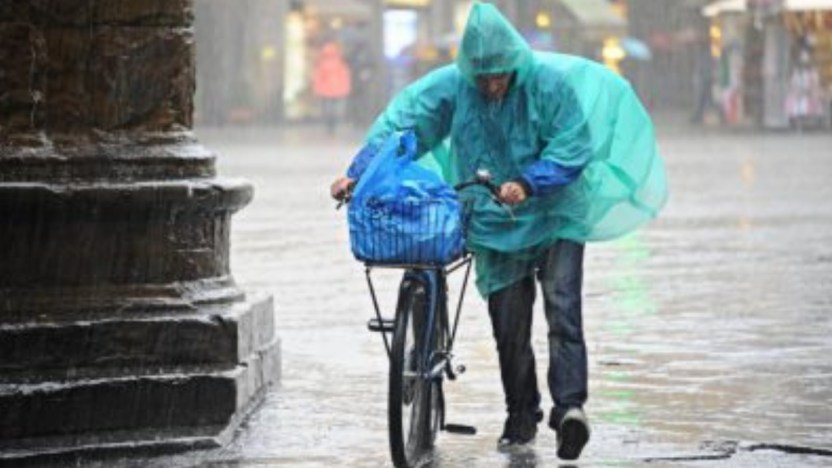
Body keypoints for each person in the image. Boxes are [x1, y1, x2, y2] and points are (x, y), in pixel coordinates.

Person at [330, 2, 667, 460]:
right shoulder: (454, 88)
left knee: (562, 309)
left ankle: (570, 409)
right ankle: (521, 414)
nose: (492, 85)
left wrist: (530, 183)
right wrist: (359, 172)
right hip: (493, 219)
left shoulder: (548, 86)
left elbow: (572, 145)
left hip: (555, 214)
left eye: (500, 76)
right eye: (483, 77)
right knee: (510, 327)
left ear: (516, 65)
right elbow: (404, 127)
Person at [312, 41, 352, 135]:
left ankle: (330, 126)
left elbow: (318, 78)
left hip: (326, 90)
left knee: (328, 110)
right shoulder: (341, 63)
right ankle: (332, 126)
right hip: (337, 90)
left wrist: (317, 89)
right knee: (335, 110)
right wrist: (346, 88)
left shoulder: (322, 63)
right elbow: (345, 77)